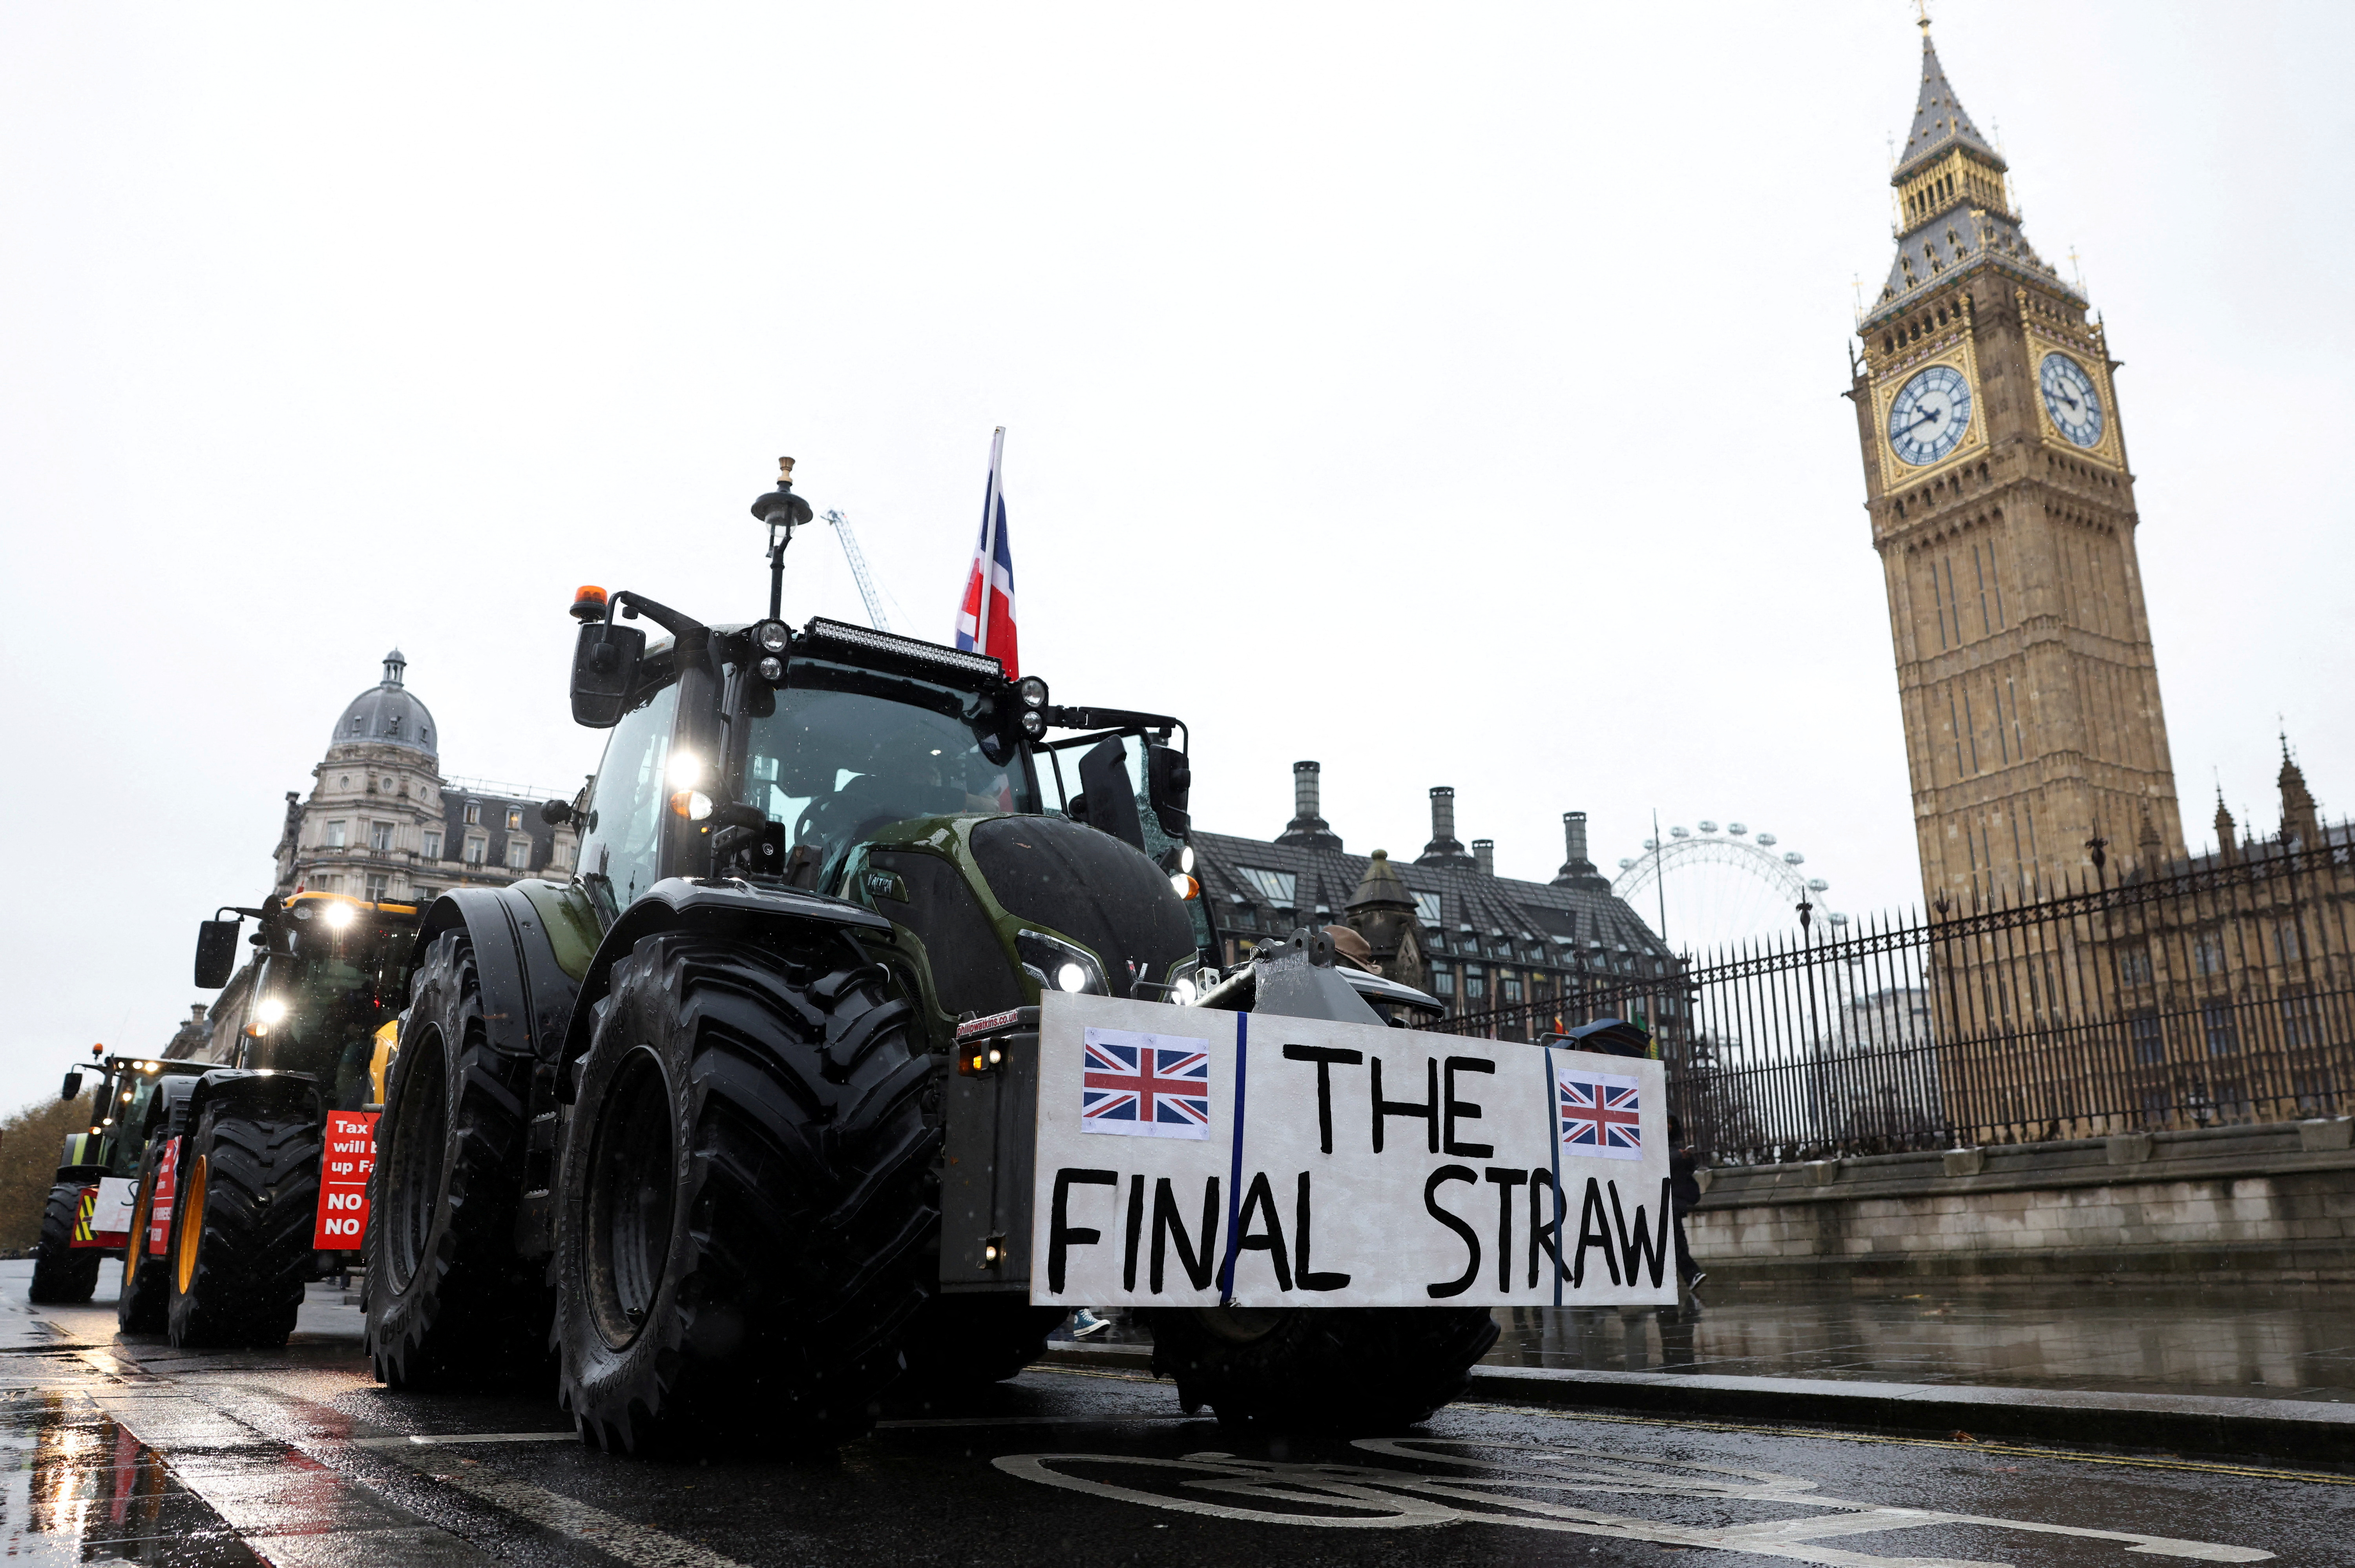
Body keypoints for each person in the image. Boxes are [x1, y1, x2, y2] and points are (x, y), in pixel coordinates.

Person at [1669, 1114, 1704, 1290]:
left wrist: (1686, 1158)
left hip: (1672, 1203)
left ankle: (1692, 1276)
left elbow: (1689, 1169)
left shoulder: (1674, 1147)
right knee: (1675, 1241)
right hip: (1658, 1203)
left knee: (1677, 1240)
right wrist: (1678, 1157)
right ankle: (1692, 1275)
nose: (1668, 1127)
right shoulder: (1653, 1146)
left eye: (1670, 1124)